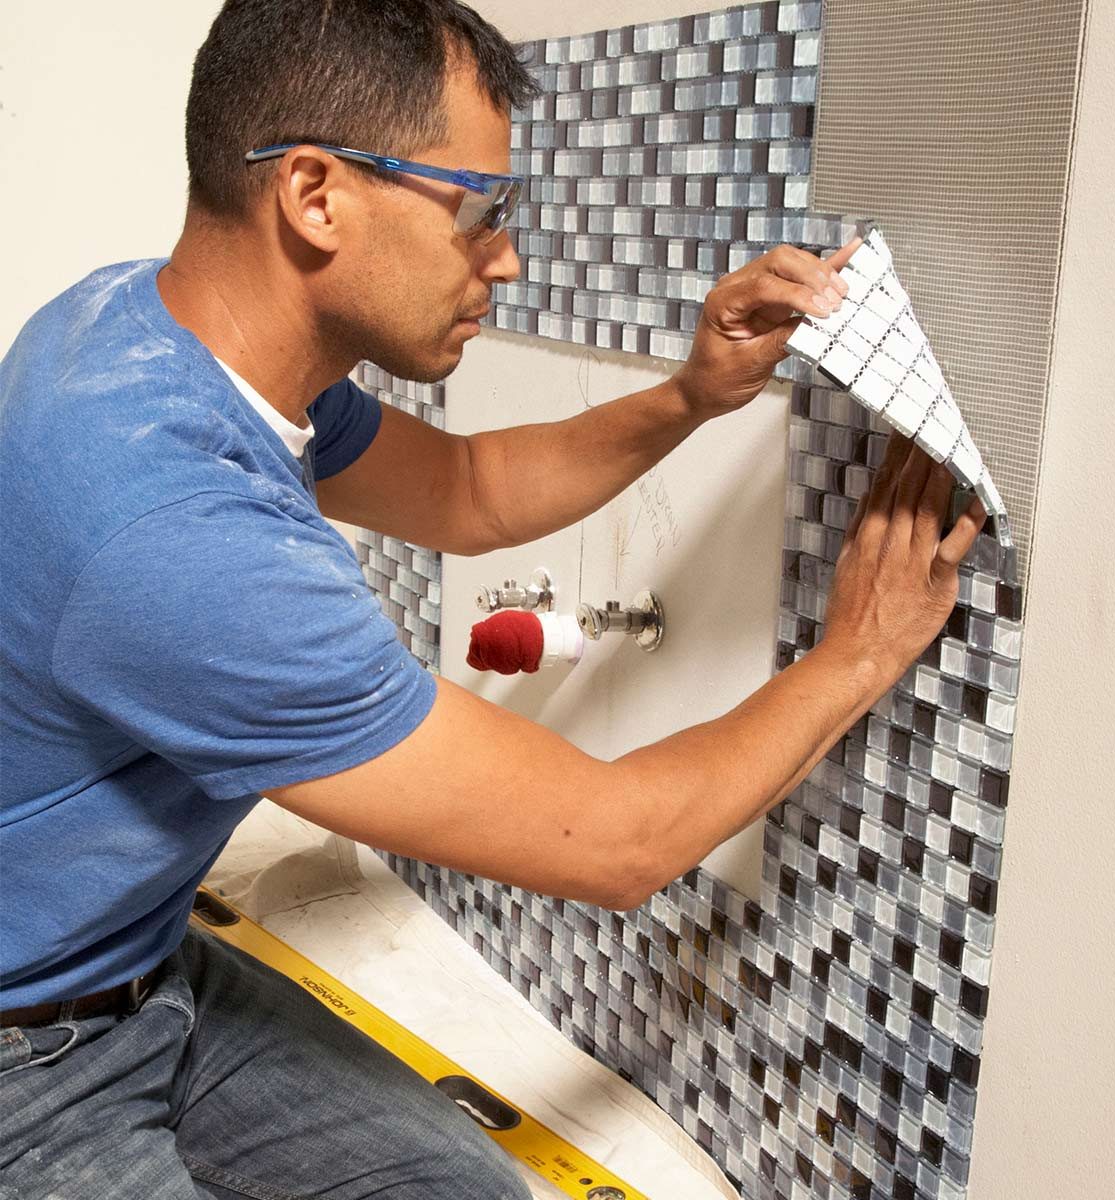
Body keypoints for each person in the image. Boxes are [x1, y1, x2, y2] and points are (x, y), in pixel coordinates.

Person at [0, 1, 986, 1196]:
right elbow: (618, 843)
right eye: (480, 213)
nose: (506, 259)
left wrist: (690, 397)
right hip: (26, 1059)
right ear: (317, 196)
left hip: (150, 966)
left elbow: (466, 489)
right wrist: (857, 656)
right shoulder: (173, 530)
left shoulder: (150, 332)